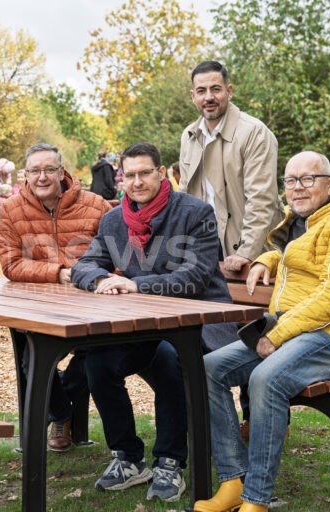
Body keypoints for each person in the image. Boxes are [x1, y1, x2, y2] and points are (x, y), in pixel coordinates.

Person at [194, 151, 330, 512]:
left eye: (308, 178)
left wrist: (276, 335)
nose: (298, 187)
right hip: (295, 334)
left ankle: (257, 499)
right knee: (209, 368)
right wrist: (267, 258)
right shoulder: (302, 224)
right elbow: (298, 257)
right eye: (291, 180)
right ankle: (233, 480)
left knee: (266, 379)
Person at [71, 142, 237, 502]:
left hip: (201, 322)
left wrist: (136, 283)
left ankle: (170, 461)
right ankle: (129, 457)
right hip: (144, 325)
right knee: (98, 361)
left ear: (162, 174)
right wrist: (100, 280)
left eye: (145, 173)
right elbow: (84, 265)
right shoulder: (115, 219)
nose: (137, 181)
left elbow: (195, 276)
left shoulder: (196, 213)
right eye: (129, 175)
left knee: (169, 357)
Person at [0, 142, 111, 452]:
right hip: (38, 305)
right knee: (32, 358)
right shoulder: (10, 209)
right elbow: (10, 263)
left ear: (61, 172)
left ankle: (64, 408)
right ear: (25, 174)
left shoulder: (96, 205)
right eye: (35, 171)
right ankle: (62, 414)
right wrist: (57, 271)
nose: (42, 177)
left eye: (49, 169)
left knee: (96, 355)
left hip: (92, 305)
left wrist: (89, 277)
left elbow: (115, 255)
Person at [179, 60, 283, 272]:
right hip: (204, 246)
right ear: (193, 97)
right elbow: (184, 195)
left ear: (229, 91)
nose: (208, 97)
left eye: (215, 89)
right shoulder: (189, 135)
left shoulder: (254, 133)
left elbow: (261, 198)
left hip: (248, 248)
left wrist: (247, 251)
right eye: (201, 91)